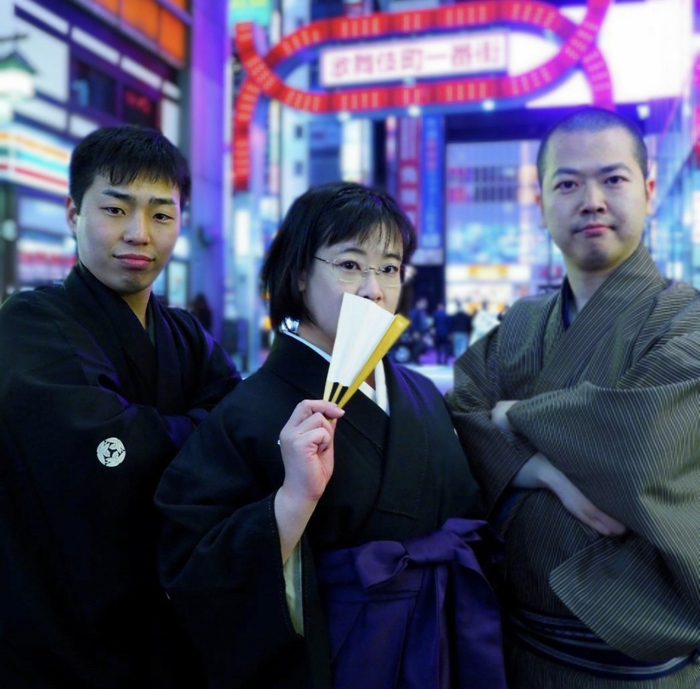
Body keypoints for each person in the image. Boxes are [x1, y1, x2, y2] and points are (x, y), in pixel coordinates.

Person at [156, 182, 506, 689]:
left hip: (438, 646)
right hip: (332, 660)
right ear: (300, 274)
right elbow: (189, 565)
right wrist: (291, 502)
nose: (374, 289)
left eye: (389, 268)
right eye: (349, 265)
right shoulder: (250, 411)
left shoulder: (421, 394)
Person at [449, 106, 700, 688]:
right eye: (568, 183)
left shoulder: (686, 319)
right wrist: (545, 470)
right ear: (540, 203)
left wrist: (512, 416)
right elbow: (459, 417)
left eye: (613, 179)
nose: (591, 199)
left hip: (641, 670)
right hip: (515, 652)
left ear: (649, 190)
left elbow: (640, 441)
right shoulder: (520, 323)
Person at [0, 125, 241, 688]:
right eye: (115, 208)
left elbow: (241, 427)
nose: (139, 234)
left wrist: (172, 434)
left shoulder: (185, 333)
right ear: (72, 213)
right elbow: (105, 452)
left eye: (162, 214)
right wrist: (203, 436)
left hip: (165, 627)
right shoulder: (29, 323)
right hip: (57, 629)